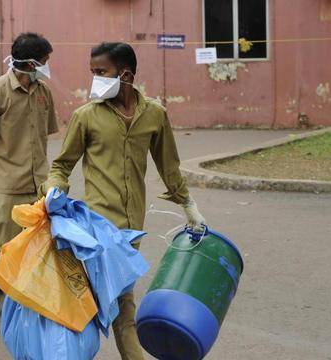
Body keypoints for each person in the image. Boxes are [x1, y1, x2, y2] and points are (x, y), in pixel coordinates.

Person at [40, 42, 206, 360]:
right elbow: (62, 165)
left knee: (114, 302)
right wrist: (54, 190)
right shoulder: (85, 116)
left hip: (132, 230)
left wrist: (189, 207)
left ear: (125, 74)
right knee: (115, 303)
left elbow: (169, 166)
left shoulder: (154, 115)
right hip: (97, 228)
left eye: (101, 72)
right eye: (92, 72)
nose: (95, 80)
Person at [0, 32, 58, 320]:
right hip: (5, 186)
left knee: (37, 247)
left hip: (38, 184)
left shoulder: (43, 92)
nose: (47, 66)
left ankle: (21, 296)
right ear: (31, 63)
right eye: (44, 61)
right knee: (2, 247)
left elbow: (46, 138)